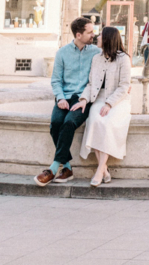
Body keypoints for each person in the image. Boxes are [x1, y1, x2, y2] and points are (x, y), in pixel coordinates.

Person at [34, 15, 97, 186]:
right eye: (90, 32)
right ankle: (67, 167)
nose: (94, 35)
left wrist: (85, 98)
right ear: (78, 35)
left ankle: (53, 169)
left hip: (84, 98)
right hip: (65, 97)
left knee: (69, 123)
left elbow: (95, 82)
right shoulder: (62, 53)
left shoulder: (96, 53)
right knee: (55, 124)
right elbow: (56, 80)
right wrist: (60, 98)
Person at [79, 24, 133, 186]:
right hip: (99, 99)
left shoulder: (124, 59)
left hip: (118, 101)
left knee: (108, 123)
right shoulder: (96, 58)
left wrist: (110, 104)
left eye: (101, 35)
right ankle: (104, 170)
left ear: (108, 39)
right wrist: (83, 99)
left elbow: (124, 86)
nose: (97, 37)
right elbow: (90, 84)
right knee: (94, 121)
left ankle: (100, 169)